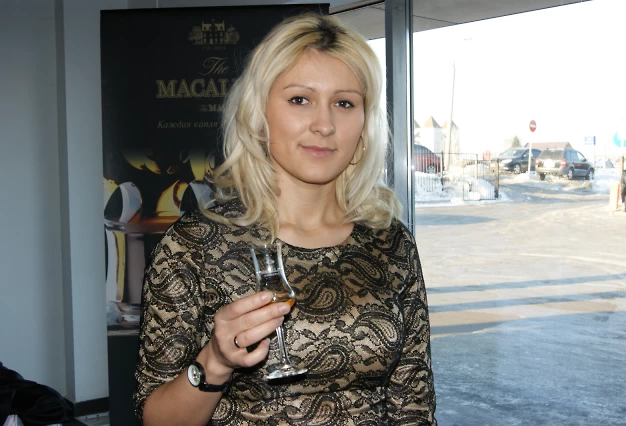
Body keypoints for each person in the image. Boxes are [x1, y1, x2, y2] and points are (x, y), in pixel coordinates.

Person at [134, 13, 437, 425]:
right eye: (300, 100)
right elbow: (156, 419)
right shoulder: (193, 246)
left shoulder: (390, 241)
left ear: (364, 125)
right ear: (259, 114)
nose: (324, 125)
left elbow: (414, 404)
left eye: (344, 103)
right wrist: (216, 362)